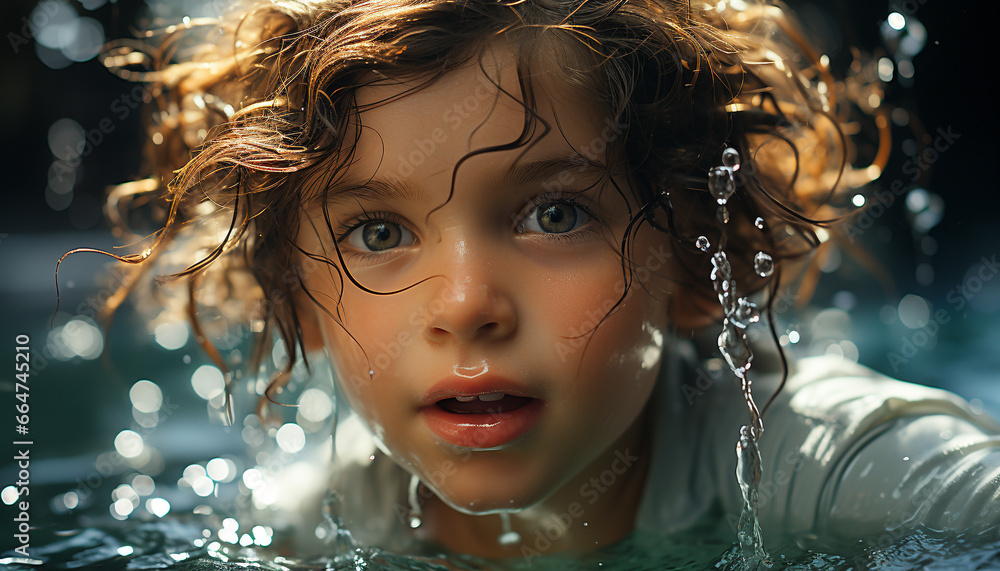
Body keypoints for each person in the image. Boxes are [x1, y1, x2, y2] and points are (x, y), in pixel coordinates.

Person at [85, 0, 1000, 563]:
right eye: (378, 232)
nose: (465, 305)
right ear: (297, 299)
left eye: (553, 215)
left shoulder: (820, 466)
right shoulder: (313, 528)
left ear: (691, 260)